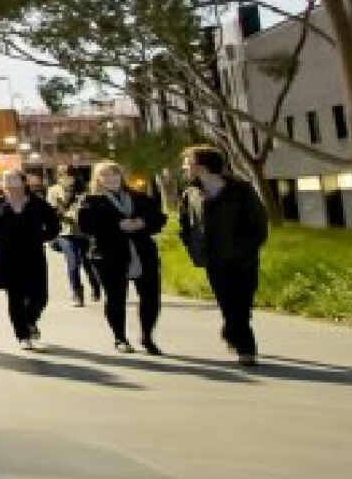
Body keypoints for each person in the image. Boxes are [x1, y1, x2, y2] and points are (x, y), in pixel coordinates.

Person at [177, 144, 270, 367]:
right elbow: (185, 226)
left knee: (242, 303)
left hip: (243, 257)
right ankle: (242, 343)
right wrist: (194, 249)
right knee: (228, 303)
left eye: (187, 164)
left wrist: (250, 246)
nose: (184, 168)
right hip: (214, 259)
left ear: (201, 166)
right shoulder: (191, 194)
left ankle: (238, 339)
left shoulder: (240, 189)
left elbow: (259, 221)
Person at [77, 160, 166, 354]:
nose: (111, 179)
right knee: (116, 298)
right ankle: (120, 338)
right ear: (98, 179)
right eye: (105, 175)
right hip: (109, 254)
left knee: (151, 297)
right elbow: (85, 226)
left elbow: (158, 217)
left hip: (143, 252)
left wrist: (142, 222)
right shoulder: (91, 200)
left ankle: (147, 336)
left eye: (114, 174)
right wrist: (117, 226)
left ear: (121, 176)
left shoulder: (139, 197)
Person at [0, 167, 63, 350]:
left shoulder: (37, 203)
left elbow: (53, 225)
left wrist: (42, 237)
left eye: (13, 178)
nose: (9, 182)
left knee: (40, 296)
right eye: (5, 179)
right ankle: (23, 335)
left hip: (33, 255)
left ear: (23, 181)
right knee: (15, 297)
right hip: (7, 257)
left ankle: (30, 320)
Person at [48, 177, 91, 306]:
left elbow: (86, 215)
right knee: (73, 262)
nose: (67, 183)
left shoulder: (83, 195)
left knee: (88, 264)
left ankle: (95, 285)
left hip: (82, 234)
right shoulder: (54, 193)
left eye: (70, 179)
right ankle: (77, 293)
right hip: (64, 235)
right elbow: (51, 214)